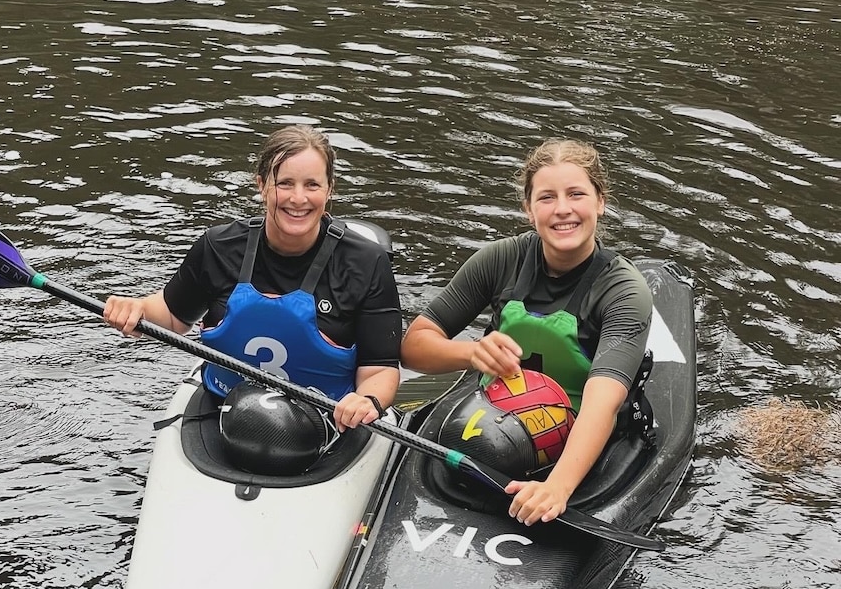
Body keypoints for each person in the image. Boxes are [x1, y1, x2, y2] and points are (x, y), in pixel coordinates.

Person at [401, 138, 652, 525]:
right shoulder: (500, 259)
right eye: (547, 197)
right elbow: (414, 346)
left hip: (574, 441)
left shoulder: (623, 291)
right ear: (528, 209)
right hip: (491, 426)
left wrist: (558, 488)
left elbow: (603, 401)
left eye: (576, 194)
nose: (562, 209)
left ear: (600, 202)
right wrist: (470, 353)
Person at [103, 125, 401, 433]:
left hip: (327, 421)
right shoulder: (218, 247)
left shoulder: (366, 263)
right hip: (223, 407)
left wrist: (367, 400)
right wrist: (136, 308)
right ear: (262, 185)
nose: (298, 199)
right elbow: (172, 316)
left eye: (312, 185)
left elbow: (379, 369)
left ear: (329, 189)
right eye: (284, 183)